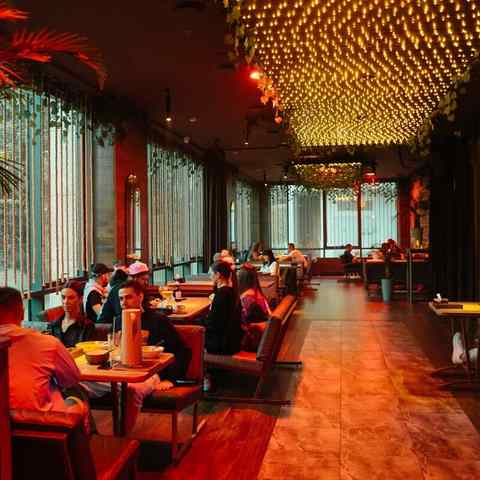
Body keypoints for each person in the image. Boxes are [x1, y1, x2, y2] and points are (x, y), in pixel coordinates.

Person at [0, 287, 92, 432]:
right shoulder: (47, 343)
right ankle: (89, 442)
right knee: (76, 394)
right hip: (41, 427)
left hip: (7, 431)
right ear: (21, 312)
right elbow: (71, 379)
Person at [204, 261, 243, 355]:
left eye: (211, 274)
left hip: (221, 345)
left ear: (218, 275)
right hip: (232, 341)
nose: (210, 277)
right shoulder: (231, 291)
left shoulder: (222, 294)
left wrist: (198, 322)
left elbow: (213, 323)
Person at [47, 280, 95, 347]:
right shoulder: (53, 325)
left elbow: (87, 350)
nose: (66, 302)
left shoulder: (87, 326)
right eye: (63, 297)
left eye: (71, 298)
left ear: (80, 299)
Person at [238, 264, 271, 351]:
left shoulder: (246, 298)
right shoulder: (259, 294)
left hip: (252, 342)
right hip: (264, 337)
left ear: (241, 280)